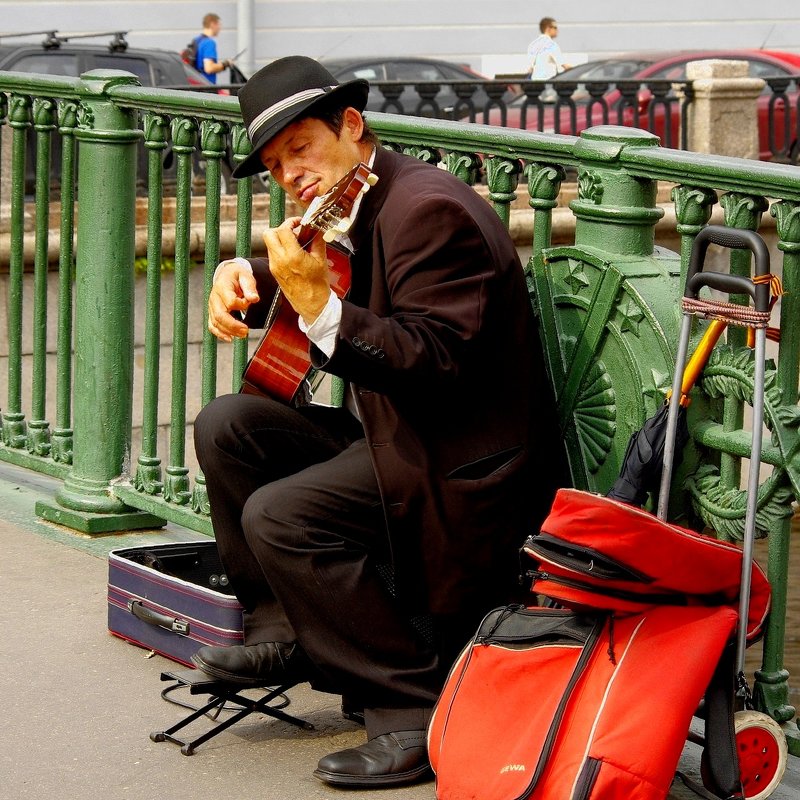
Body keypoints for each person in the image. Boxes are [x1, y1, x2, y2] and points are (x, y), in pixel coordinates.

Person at [191, 55, 567, 788]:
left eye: (300, 147)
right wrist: (239, 270)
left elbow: (431, 360)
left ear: (352, 126)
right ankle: (282, 632)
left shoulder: (429, 209)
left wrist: (320, 310)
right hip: (404, 439)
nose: (289, 173)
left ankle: (411, 711)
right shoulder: (353, 201)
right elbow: (328, 268)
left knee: (282, 515)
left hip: (467, 468)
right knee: (227, 425)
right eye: (274, 163)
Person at [194, 12, 232, 84]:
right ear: (212, 24)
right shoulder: (209, 43)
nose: (220, 28)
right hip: (207, 86)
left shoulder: (197, 40)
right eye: (219, 24)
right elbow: (209, 68)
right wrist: (226, 64)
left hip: (197, 84)